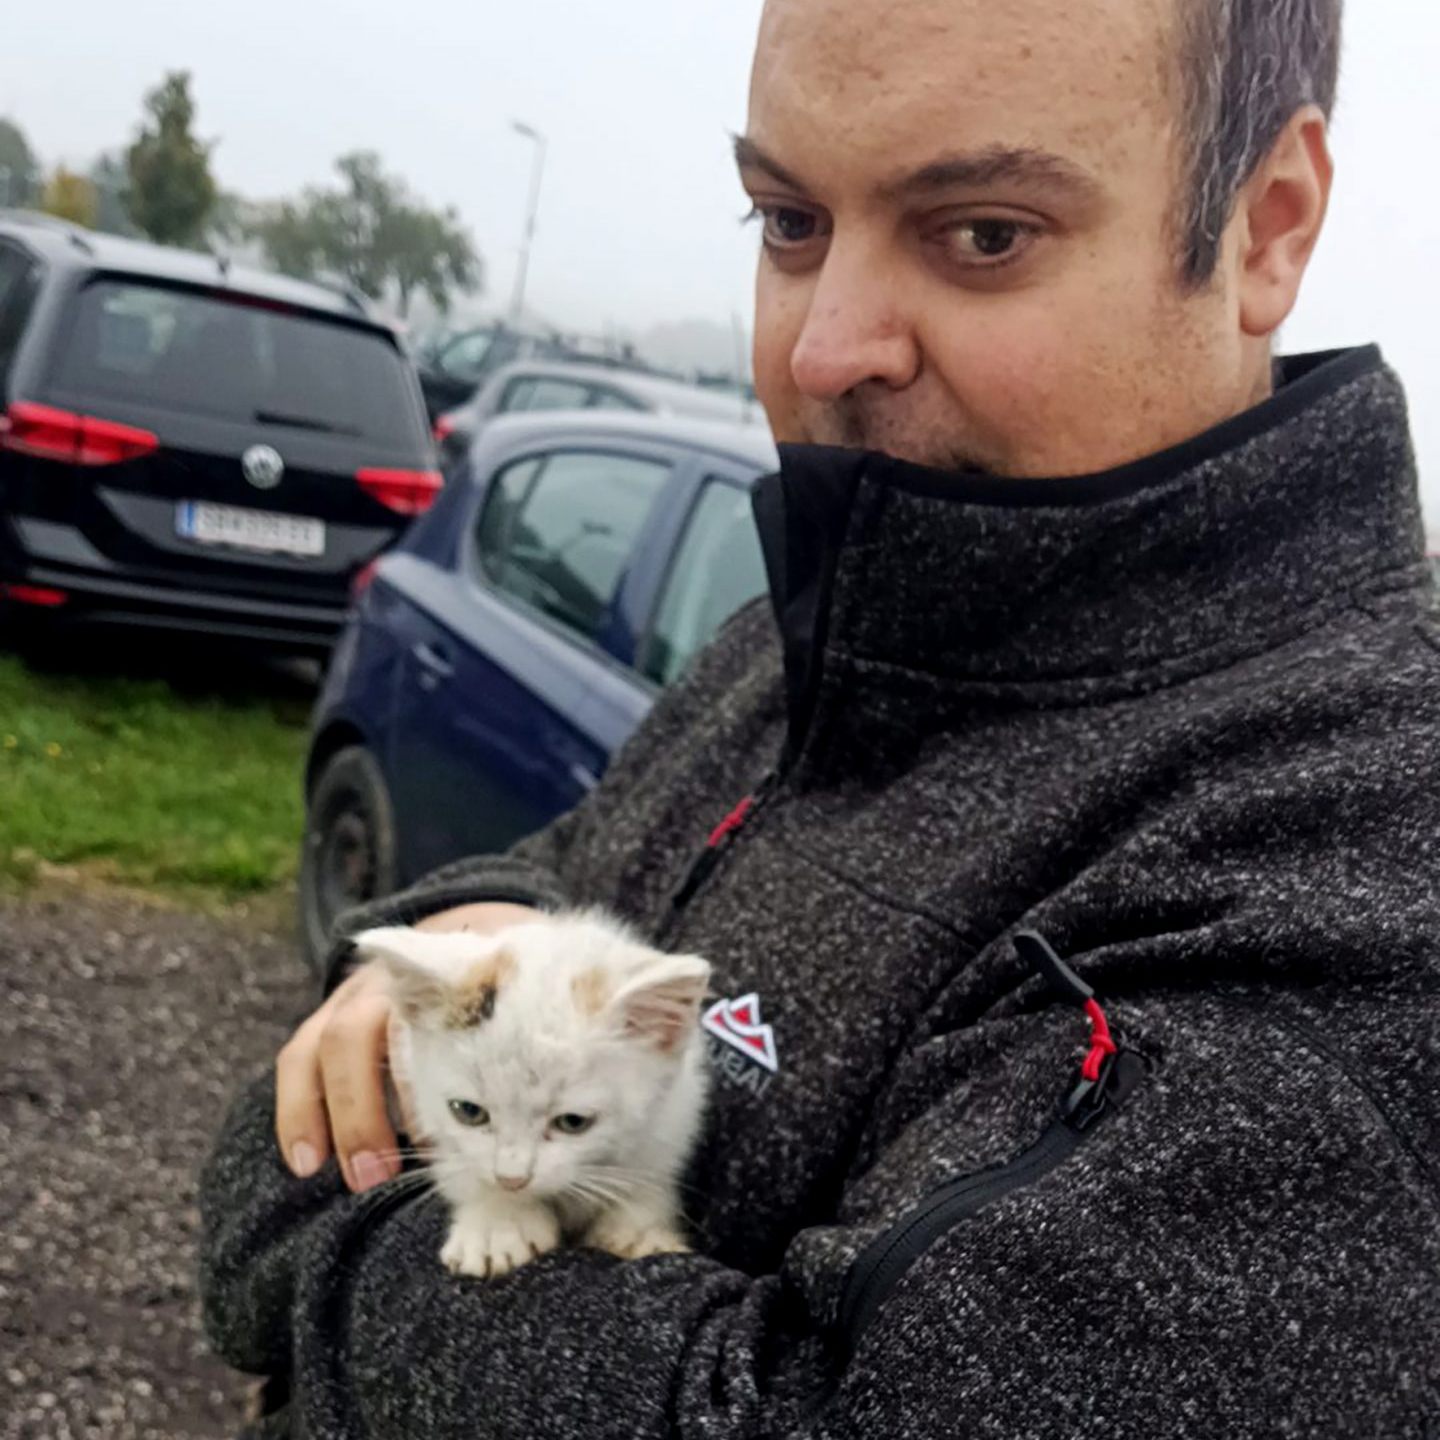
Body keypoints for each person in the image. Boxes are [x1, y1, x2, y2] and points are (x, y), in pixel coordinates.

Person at [199, 0, 1440, 1433]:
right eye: (787, 221)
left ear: (1268, 227)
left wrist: (329, 1237)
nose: (820, 349)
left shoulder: (1352, 845)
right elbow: (584, 869)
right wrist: (486, 916)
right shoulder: (829, 626)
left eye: (982, 231)